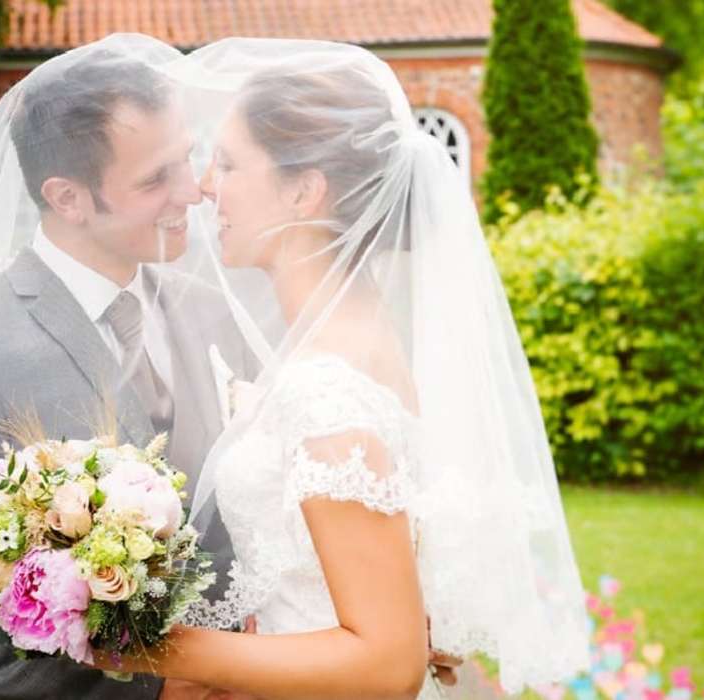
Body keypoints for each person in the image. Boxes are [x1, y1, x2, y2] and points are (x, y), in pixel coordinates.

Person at [89, 38, 591, 698]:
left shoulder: (325, 386)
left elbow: (387, 663)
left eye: (229, 163)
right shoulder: (356, 340)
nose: (206, 187)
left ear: (304, 190)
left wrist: (149, 644)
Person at [0, 34, 256, 699]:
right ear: (68, 198)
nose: (191, 192)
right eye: (155, 178)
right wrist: (148, 688)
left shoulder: (212, 312)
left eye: (186, 159)